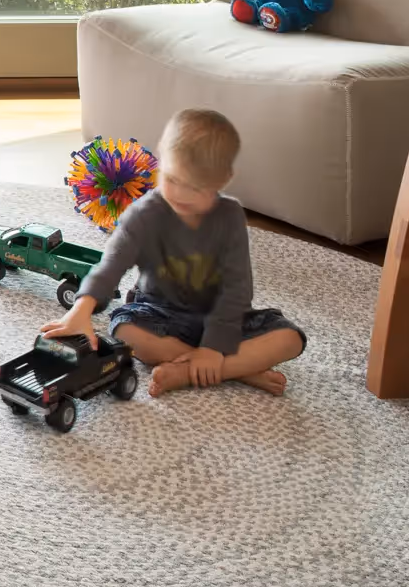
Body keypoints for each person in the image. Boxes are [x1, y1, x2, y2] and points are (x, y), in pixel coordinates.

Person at [42, 108, 306, 397]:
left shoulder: (230, 217)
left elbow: (237, 290)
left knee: (290, 338)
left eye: (194, 188)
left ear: (224, 179)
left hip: (225, 316)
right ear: (161, 160)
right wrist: (81, 310)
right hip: (161, 312)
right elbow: (112, 265)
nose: (180, 194)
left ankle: (202, 369)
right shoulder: (145, 214)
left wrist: (213, 346)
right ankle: (241, 370)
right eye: (172, 179)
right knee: (124, 331)